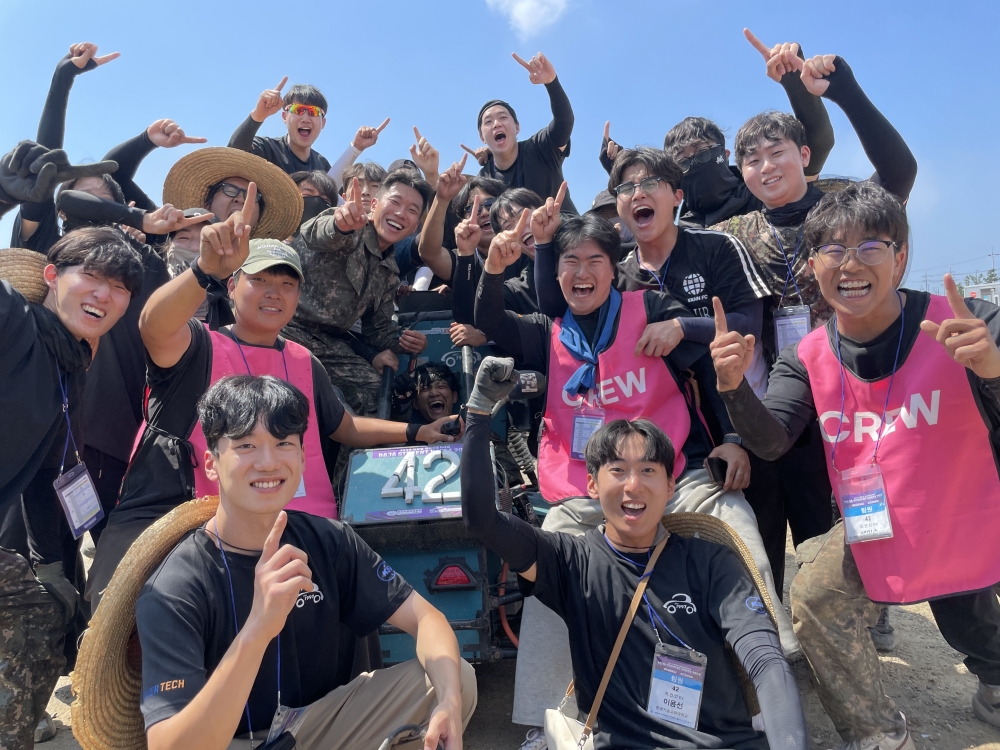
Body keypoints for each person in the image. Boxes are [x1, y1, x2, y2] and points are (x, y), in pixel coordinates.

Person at [474, 203, 795, 730]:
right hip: (583, 489)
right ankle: (544, 720)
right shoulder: (546, 330)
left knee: (735, 522)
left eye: (595, 260)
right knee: (548, 567)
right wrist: (490, 267)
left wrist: (734, 438)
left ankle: (771, 674)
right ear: (555, 274)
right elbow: (488, 322)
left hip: (671, 475)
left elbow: (712, 373)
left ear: (614, 266)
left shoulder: (651, 310)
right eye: (570, 261)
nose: (582, 272)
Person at [710, 182, 1000, 749]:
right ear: (813, 263)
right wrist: (733, 389)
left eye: (871, 247)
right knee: (815, 594)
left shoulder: (969, 322)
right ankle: (876, 732)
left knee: (969, 618)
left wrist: (991, 367)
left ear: (901, 258)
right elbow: (771, 441)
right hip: (879, 523)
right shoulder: (808, 356)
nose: (851, 264)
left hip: (968, 512)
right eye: (833, 250)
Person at [88, 206, 460, 610]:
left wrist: (417, 434)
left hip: (292, 522)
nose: (273, 292)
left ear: (298, 296)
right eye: (259, 279)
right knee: (114, 613)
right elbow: (153, 326)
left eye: (286, 283)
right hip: (182, 515)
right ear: (231, 287)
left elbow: (344, 427)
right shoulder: (197, 346)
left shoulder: (303, 360)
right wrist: (202, 270)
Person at [462, 359, 807, 750]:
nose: (633, 486)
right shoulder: (570, 561)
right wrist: (478, 414)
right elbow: (481, 520)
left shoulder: (712, 562)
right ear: (591, 484)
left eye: (647, 471)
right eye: (618, 471)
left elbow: (766, 664)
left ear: (671, 484)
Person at [135, 374, 477, 750]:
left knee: (455, 677)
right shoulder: (174, 586)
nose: (268, 462)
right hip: (227, 742)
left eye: (283, 443)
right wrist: (258, 628)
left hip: (316, 729)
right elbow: (169, 746)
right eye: (246, 445)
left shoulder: (329, 540)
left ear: (301, 455)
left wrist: (448, 701)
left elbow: (426, 617)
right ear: (211, 463)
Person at [600, 32, 835, 228]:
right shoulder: (681, 229)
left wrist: (794, 81)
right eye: (682, 161)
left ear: (725, 155)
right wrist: (621, 171)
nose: (694, 163)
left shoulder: (763, 188)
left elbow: (819, 141)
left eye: (702, 153)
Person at [283, 171, 433, 417]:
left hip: (330, 346)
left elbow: (378, 329)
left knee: (373, 393)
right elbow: (314, 233)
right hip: (285, 330)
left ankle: (355, 458)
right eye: (394, 202)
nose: (400, 213)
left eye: (412, 210)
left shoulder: (390, 273)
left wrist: (405, 341)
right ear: (374, 205)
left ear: (415, 226)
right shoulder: (349, 224)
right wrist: (339, 226)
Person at [472, 51, 577, 213]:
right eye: (488, 122)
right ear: (481, 137)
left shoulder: (539, 147)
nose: (496, 124)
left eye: (503, 117)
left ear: (517, 127)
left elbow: (564, 121)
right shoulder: (485, 177)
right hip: (517, 237)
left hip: (565, 233)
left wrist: (551, 82)